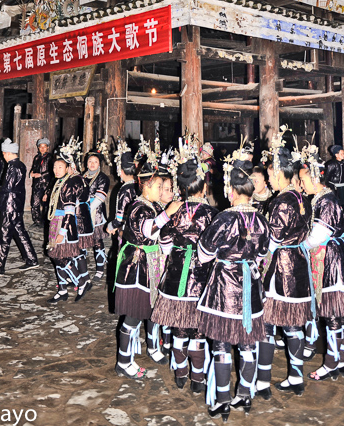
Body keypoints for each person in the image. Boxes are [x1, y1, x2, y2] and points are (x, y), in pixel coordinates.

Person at [197, 158, 270, 419]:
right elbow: (263, 254)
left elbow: (204, 253)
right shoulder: (262, 220)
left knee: (221, 345)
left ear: (232, 191)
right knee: (248, 343)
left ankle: (223, 401)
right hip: (250, 285)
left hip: (224, 288)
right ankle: (245, 396)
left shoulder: (223, 218)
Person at [151, 155, 217, 393]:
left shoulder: (175, 210)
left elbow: (165, 243)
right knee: (198, 330)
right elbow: (214, 249)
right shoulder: (212, 214)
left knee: (179, 327)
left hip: (177, 276)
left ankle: (181, 372)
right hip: (202, 277)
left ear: (182, 188)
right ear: (204, 188)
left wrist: (177, 252)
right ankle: (198, 378)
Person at [114, 152, 181, 379]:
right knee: (133, 315)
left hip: (149, 265)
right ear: (147, 187)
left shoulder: (149, 205)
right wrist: (169, 213)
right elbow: (148, 230)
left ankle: (144, 351)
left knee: (148, 311)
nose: (161, 190)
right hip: (136, 267)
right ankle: (123, 361)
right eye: (159, 186)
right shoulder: (138, 207)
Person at [256, 144, 313, 399]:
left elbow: (273, 238)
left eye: (270, 175)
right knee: (292, 325)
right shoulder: (301, 197)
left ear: (280, 174)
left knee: (268, 323)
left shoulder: (280, 201)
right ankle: (296, 377)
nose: (268, 179)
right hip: (299, 261)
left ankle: (262, 382)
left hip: (281, 267)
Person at [300, 146, 344, 382]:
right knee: (337, 313)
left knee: (333, 311)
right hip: (331, 255)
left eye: (303, 180)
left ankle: (332, 362)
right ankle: (341, 357)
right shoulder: (321, 199)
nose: (301, 185)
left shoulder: (327, 201)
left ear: (315, 177)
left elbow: (318, 237)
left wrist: (297, 246)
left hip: (330, 259)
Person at [0, 139, 38, 276]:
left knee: (4, 236)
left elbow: (8, 187)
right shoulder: (21, 165)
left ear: (6, 153)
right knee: (20, 232)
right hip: (16, 204)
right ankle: (31, 259)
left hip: (9, 205)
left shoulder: (12, 166)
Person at [47, 146, 92, 303]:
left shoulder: (68, 184)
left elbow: (69, 211)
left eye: (60, 167)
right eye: (54, 167)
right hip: (55, 223)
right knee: (59, 257)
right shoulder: (60, 182)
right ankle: (63, 290)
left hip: (64, 225)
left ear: (68, 168)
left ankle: (81, 281)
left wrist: (62, 232)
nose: (56, 170)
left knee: (59, 257)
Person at [82, 150, 110, 281]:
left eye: (95, 162)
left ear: (99, 164)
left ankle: (100, 270)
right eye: (90, 161)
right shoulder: (82, 176)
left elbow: (99, 198)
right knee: (81, 241)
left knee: (97, 241)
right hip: (81, 213)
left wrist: (86, 211)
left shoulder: (103, 177)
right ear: (86, 163)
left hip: (96, 214)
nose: (92, 164)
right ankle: (82, 271)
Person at [29, 138, 52, 226]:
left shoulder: (50, 157)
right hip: (37, 184)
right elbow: (34, 168)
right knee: (35, 203)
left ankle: (46, 222)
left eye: (44, 147)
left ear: (47, 148)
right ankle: (37, 221)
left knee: (46, 204)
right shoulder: (37, 157)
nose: (42, 149)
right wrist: (32, 173)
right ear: (38, 148)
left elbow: (51, 171)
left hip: (46, 183)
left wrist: (41, 175)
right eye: (40, 147)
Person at [325, 145, 344, 215]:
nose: (343, 155)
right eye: (341, 154)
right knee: (336, 207)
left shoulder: (342, 163)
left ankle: (343, 222)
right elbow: (326, 178)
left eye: (343, 153)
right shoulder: (331, 164)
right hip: (335, 188)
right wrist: (332, 188)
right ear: (336, 155)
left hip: (342, 187)